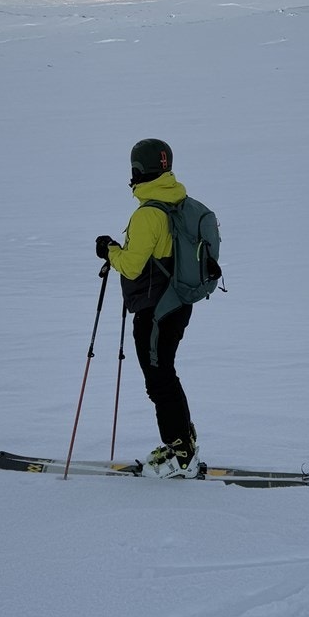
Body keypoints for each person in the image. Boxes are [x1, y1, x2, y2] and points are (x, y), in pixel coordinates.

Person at [95, 138, 200, 478]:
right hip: (179, 303)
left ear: (137, 170)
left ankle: (180, 455)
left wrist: (109, 250)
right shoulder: (179, 201)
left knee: (158, 379)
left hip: (155, 310)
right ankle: (183, 443)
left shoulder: (148, 214)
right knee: (164, 373)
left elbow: (132, 266)